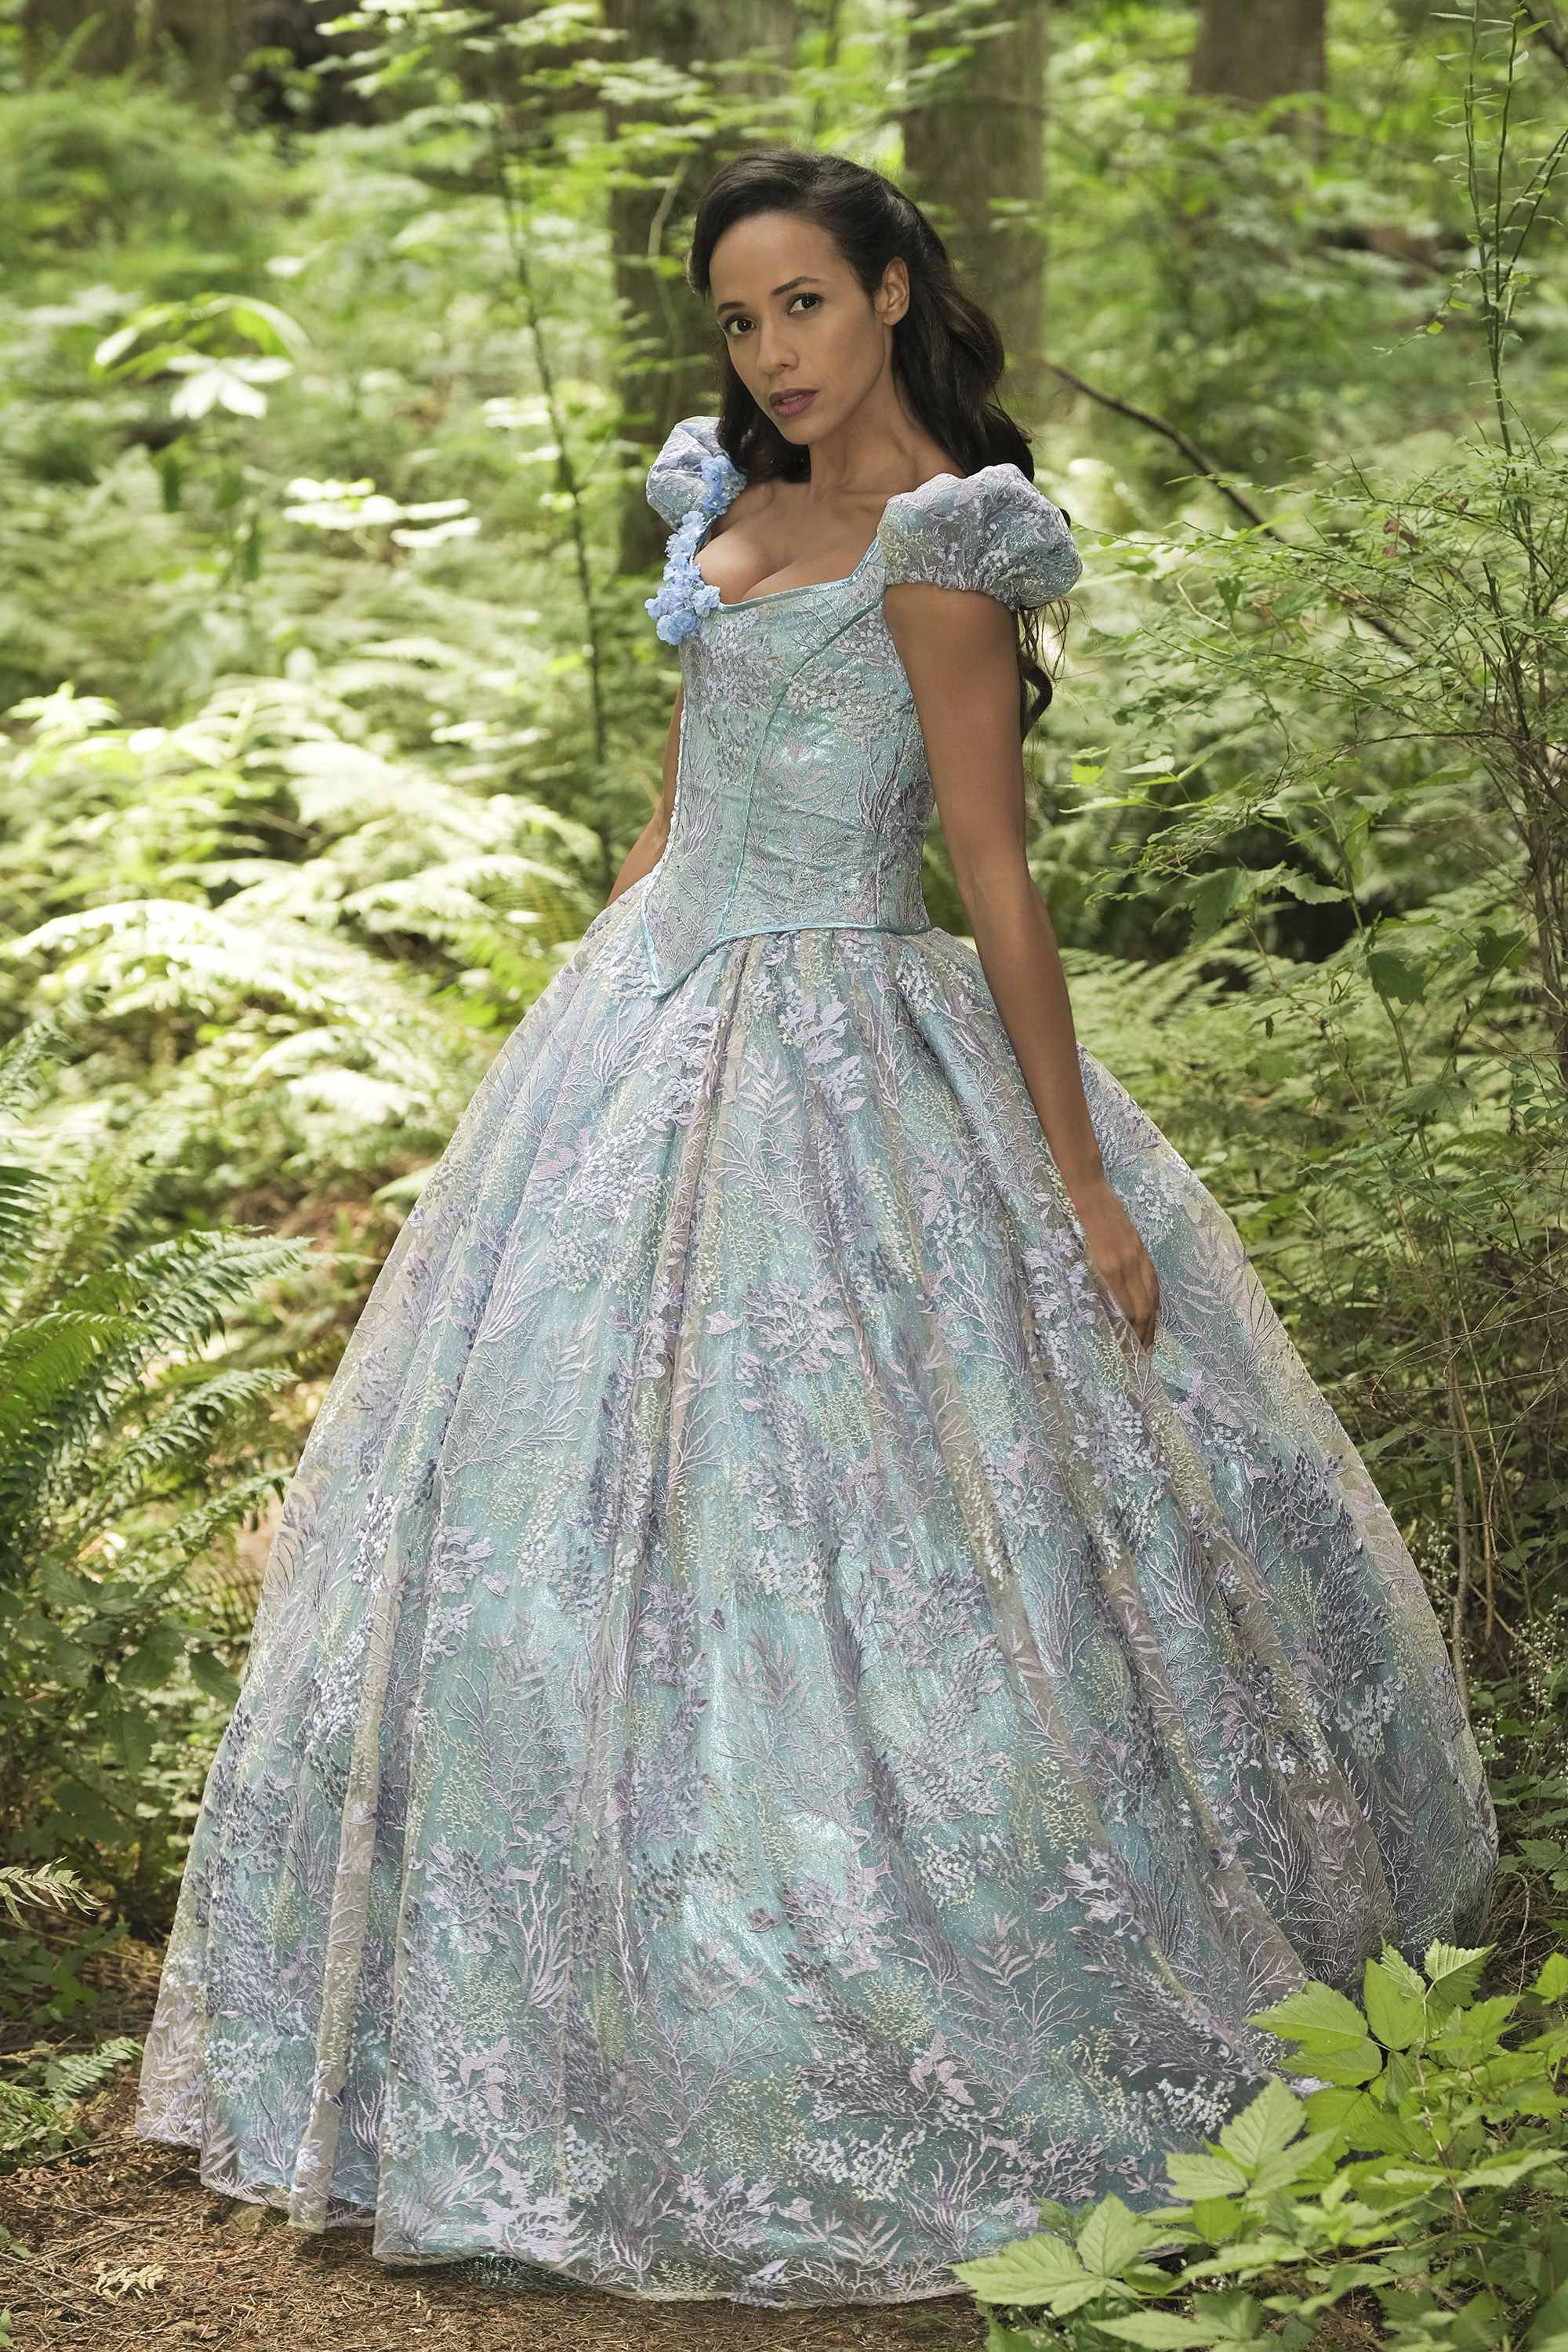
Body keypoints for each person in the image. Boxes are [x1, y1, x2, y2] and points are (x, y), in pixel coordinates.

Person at [136, 148, 1494, 2309]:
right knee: (558, 1525)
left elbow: (993, 871)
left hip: (853, 1031)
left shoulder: (946, 546)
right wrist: (576, 1032)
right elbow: (676, 821)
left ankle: (891, 1985)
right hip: (650, 1032)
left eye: (803, 304)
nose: (771, 352)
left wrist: (1077, 1180)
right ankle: (571, 2027)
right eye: (739, 319)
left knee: (885, 1527)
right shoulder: (727, 510)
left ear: (890, 293)